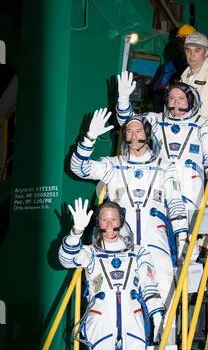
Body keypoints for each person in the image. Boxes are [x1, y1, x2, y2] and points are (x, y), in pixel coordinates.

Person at [70, 108, 189, 312]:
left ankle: (165, 342)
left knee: (165, 296)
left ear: (148, 134)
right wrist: (89, 138)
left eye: (139, 131)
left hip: (156, 242)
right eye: (129, 132)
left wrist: (183, 243)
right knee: (123, 307)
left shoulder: (165, 166)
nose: (134, 137)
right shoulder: (114, 165)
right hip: (121, 245)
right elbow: (79, 168)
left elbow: (177, 206)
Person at [59, 199, 164, 350]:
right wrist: (76, 232)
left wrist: (157, 315)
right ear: (98, 223)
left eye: (114, 220)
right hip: (101, 319)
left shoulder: (138, 252)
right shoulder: (90, 252)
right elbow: (66, 260)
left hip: (133, 317)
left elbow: (149, 284)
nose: (109, 225)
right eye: (104, 220)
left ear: (121, 221)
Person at [116, 71, 208, 231]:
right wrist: (123, 101)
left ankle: (191, 249)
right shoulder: (156, 120)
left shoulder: (205, 125)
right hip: (160, 177)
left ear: (191, 100)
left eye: (181, 98)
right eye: (172, 98)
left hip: (191, 180)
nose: (176, 103)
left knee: (194, 224)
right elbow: (129, 124)